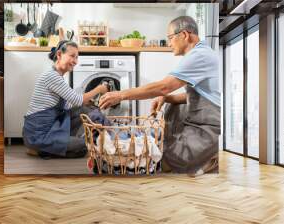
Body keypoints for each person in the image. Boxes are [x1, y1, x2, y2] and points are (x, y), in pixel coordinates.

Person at [99, 16, 220, 175]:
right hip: (205, 113)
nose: (169, 44)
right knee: (171, 106)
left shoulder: (198, 56)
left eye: (170, 38)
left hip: (211, 123)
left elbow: (164, 87)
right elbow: (203, 95)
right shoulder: (201, 52)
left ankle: (198, 157)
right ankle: (190, 154)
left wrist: (120, 95)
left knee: (175, 158)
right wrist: (167, 98)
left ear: (184, 35)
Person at [23, 40, 108, 159]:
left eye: (77, 57)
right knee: (84, 146)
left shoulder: (58, 77)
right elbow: (78, 100)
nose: (75, 61)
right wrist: (99, 88)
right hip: (39, 135)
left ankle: (62, 144)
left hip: (51, 127)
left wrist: (88, 103)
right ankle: (39, 150)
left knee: (83, 109)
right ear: (59, 55)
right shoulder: (51, 76)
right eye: (72, 56)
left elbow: (69, 106)